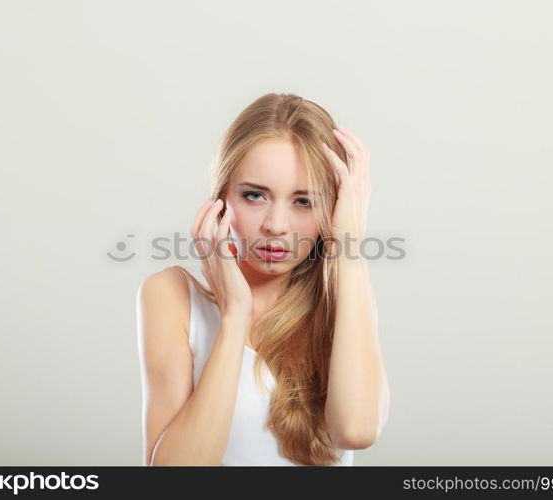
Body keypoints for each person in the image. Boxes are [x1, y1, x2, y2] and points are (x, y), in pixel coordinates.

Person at [136, 92, 390, 465]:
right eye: (255, 195)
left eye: (304, 201)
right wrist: (234, 316)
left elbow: (356, 430)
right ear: (222, 196)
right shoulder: (171, 295)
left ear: (335, 206)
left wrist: (349, 245)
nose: (276, 226)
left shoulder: (345, 299)